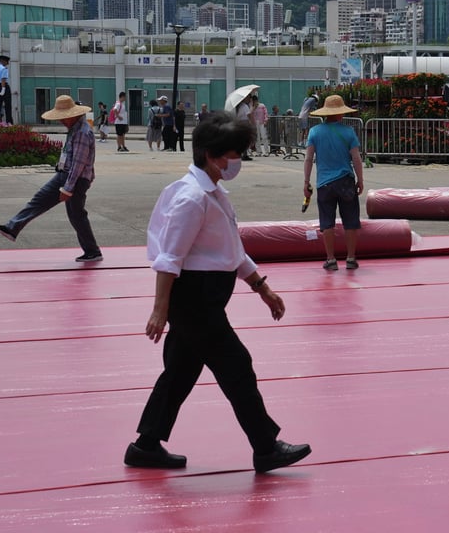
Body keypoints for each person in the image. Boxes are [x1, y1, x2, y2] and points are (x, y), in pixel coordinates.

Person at [123, 110, 311, 474]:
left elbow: (230, 251)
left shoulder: (213, 194)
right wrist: (160, 309)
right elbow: (169, 259)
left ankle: (146, 445)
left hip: (203, 295)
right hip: (194, 299)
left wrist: (262, 288)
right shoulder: (191, 199)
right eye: (235, 154)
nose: (239, 160)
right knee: (236, 366)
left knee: (179, 373)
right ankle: (265, 446)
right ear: (212, 155)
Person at [0, 96, 103, 262]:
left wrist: (68, 188)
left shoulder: (82, 132)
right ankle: (12, 227)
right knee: (39, 200)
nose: (62, 121)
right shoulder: (74, 128)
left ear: (73, 115)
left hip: (75, 180)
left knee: (77, 215)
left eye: (63, 117)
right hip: (64, 175)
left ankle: (93, 251)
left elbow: (78, 165)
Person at [303, 95, 365, 271]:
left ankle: (331, 260)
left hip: (324, 183)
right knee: (351, 220)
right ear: (340, 114)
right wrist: (360, 180)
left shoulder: (315, 132)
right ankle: (351, 258)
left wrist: (306, 182)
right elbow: (356, 159)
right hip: (345, 181)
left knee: (327, 222)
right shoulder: (348, 132)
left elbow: (308, 159)